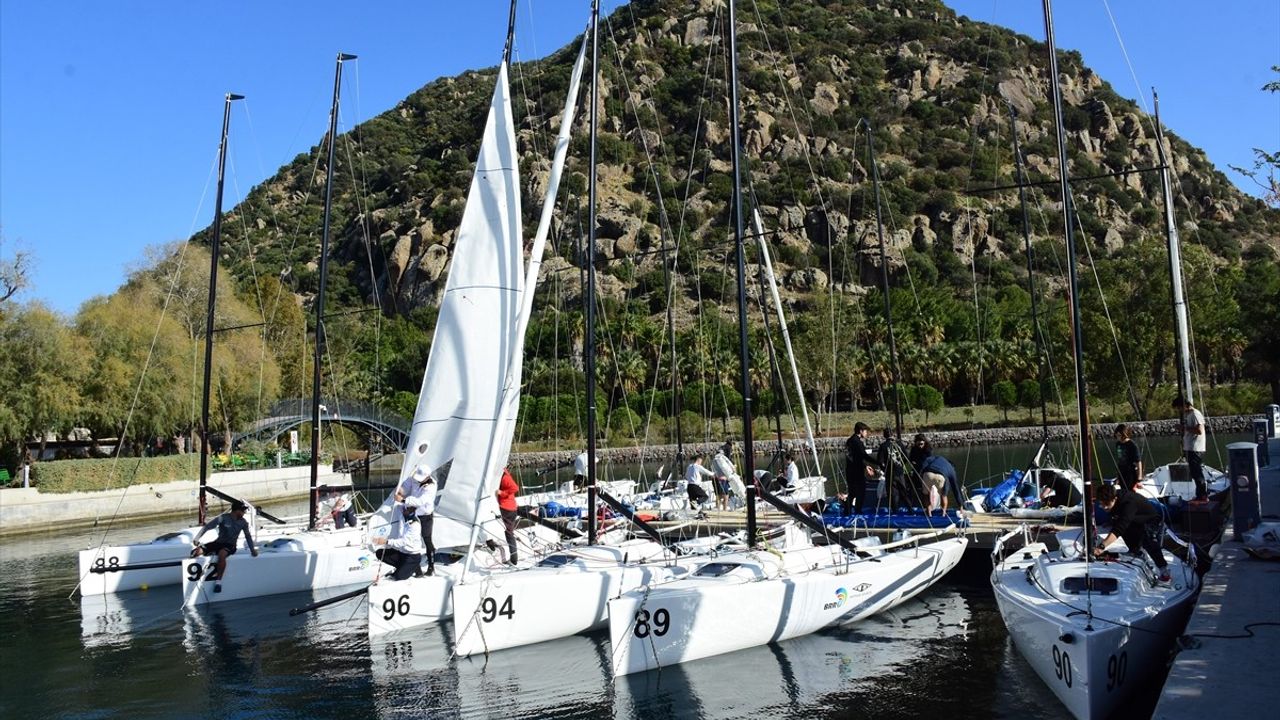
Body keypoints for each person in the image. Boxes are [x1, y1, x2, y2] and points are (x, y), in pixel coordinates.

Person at [1093, 482, 1171, 583]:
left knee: (1147, 539)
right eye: (1101, 504)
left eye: (1107, 504)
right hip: (1134, 519)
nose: (1104, 507)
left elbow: (1119, 528)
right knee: (1122, 525)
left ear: (1115, 499)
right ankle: (1135, 551)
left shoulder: (1128, 503)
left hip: (1150, 519)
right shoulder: (1112, 498)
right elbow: (1120, 523)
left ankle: (1164, 570)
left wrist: (1101, 547)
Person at [190, 500, 259, 593]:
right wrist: (197, 538)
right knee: (196, 552)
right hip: (218, 543)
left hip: (230, 545)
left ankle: (218, 582)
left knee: (222, 554)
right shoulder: (222, 518)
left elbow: (248, 536)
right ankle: (193, 575)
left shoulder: (243, 523)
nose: (244, 513)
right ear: (236, 510)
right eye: (242, 511)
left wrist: (252, 550)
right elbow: (207, 527)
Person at [397, 463, 438, 576]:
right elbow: (406, 485)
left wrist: (404, 501)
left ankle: (431, 566)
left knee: (427, 540)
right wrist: (401, 491)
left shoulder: (431, 486)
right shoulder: (414, 479)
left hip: (425, 516)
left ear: (427, 477)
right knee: (412, 541)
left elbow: (421, 501)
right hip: (413, 514)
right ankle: (416, 569)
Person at [371, 505, 425, 582]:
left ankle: (414, 568)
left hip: (412, 556)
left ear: (411, 510)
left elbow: (404, 542)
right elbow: (398, 504)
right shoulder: (403, 515)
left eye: (404, 509)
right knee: (379, 553)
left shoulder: (414, 524)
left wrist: (386, 541)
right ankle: (403, 567)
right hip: (402, 553)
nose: (402, 510)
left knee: (398, 577)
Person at [1172, 397, 1207, 499]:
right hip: (1190, 448)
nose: (1179, 411)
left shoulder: (1195, 414)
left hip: (1195, 448)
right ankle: (1199, 494)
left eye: (1179, 408)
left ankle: (1202, 495)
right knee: (1194, 473)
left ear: (1183, 405)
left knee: (1197, 473)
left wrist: (1183, 428)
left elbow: (1200, 430)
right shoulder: (1188, 415)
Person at [843, 422, 878, 515]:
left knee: (853, 492)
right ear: (861, 431)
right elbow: (863, 455)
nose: (866, 433)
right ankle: (857, 511)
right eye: (865, 431)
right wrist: (878, 463)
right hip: (856, 472)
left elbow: (855, 458)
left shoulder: (850, 441)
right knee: (861, 491)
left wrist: (865, 466)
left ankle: (847, 511)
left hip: (850, 470)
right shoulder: (857, 442)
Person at [496, 467, 520, 565]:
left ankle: (514, 559)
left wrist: (502, 493)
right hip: (510, 507)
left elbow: (515, 488)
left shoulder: (505, 477)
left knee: (509, 533)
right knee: (509, 532)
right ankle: (513, 557)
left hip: (507, 508)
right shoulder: (502, 474)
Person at [1113, 424, 1144, 494]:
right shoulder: (1118, 444)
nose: (1118, 437)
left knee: (1129, 492)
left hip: (1130, 473)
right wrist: (1118, 476)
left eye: (1119, 435)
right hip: (1121, 471)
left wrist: (1139, 478)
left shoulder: (1132, 445)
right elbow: (1120, 460)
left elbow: (1138, 462)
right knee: (1122, 491)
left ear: (1124, 434)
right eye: (1117, 435)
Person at [711, 442, 740, 511]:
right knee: (725, 496)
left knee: (718, 496)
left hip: (715, 479)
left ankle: (718, 509)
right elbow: (728, 467)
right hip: (722, 479)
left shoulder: (714, 460)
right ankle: (724, 510)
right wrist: (733, 468)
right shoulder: (724, 458)